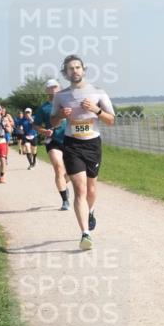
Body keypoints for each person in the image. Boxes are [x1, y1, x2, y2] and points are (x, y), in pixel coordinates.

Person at [51, 55, 115, 250]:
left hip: (92, 144)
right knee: (80, 190)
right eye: (70, 68)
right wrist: (61, 115)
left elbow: (111, 120)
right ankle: (85, 234)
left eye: (78, 67)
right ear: (65, 73)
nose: (75, 71)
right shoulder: (60, 96)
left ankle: (91, 210)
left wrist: (96, 110)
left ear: (84, 70)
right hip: (72, 145)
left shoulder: (98, 93)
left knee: (91, 190)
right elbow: (53, 122)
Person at [34, 79, 71, 210]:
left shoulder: (68, 103)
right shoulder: (43, 108)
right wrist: (44, 131)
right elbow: (35, 125)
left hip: (70, 140)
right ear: (46, 91)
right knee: (58, 167)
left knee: (72, 171)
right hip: (53, 141)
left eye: (56, 87)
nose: (54, 89)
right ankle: (65, 200)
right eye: (51, 87)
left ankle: (63, 185)